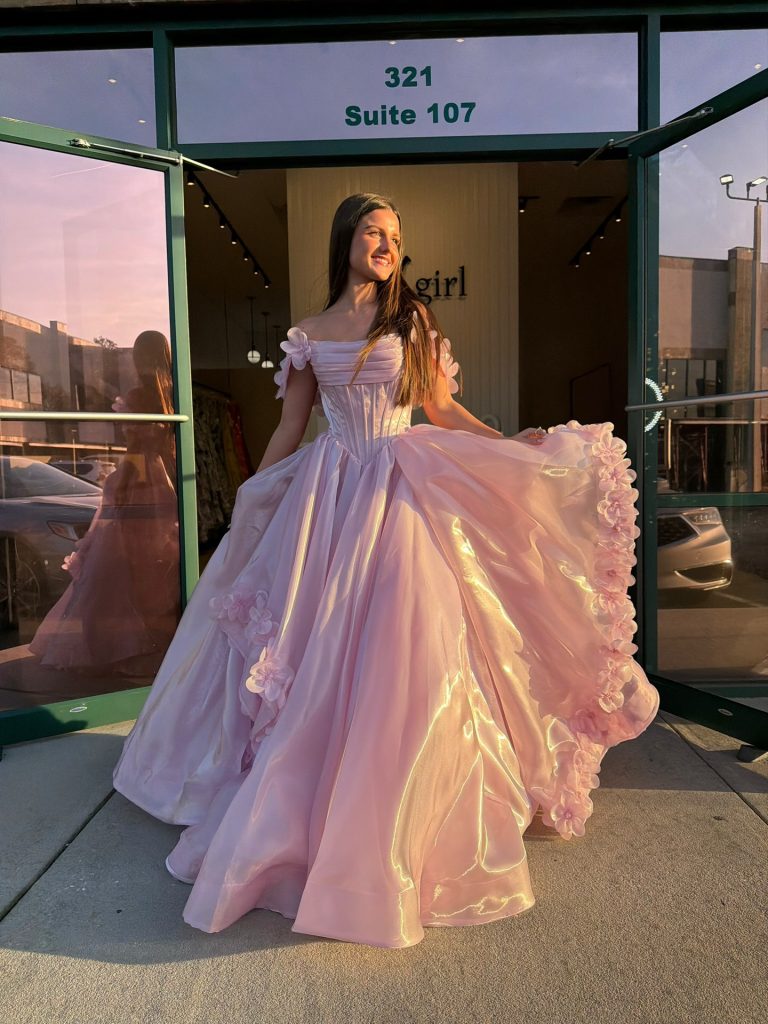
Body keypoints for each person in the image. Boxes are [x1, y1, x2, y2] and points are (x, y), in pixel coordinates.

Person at [112, 193, 659, 949]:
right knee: (322, 655)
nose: (388, 245)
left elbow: (440, 412)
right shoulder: (308, 336)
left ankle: (412, 810)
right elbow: (291, 428)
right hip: (329, 499)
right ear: (346, 239)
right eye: (375, 232)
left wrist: (512, 445)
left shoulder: (411, 322)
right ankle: (313, 805)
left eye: (396, 236)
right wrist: (250, 499)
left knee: (417, 654)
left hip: (404, 490)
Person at [30, 330, 180, 675]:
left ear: (141, 358)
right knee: (156, 564)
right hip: (166, 482)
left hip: (139, 479)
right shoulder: (173, 394)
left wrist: (122, 484)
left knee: (115, 565)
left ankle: (120, 645)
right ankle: (157, 639)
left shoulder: (141, 394)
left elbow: (135, 449)